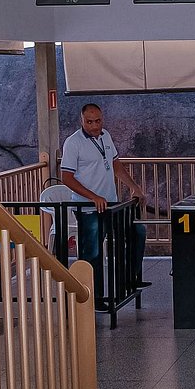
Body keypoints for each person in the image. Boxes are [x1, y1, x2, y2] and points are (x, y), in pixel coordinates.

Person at [55, 102, 145, 284]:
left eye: (98, 121)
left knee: (137, 232)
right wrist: (93, 197)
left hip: (111, 204)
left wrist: (134, 187)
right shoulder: (73, 143)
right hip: (88, 208)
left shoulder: (106, 136)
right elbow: (66, 177)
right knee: (92, 252)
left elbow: (115, 164)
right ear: (81, 121)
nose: (95, 126)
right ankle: (92, 294)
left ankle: (129, 279)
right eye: (89, 122)